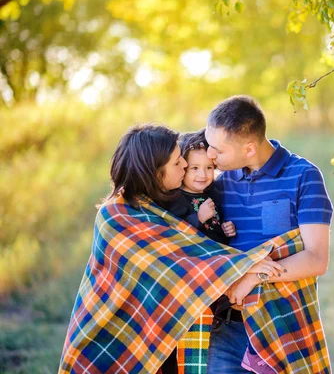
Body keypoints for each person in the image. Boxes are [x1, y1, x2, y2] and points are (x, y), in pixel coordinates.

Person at [58, 124, 284, 374]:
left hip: (164, 332)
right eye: (178, 163)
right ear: (156, 173)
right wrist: (243, 265)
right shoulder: (117, 215)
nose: (185, 167)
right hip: (114, 334)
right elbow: (178, 265)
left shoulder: (169, 201)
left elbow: (193, 249)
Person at [205, 95, 334, 373]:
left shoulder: (303, 175)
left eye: (217, 150)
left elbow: (316, 258)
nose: (210, 156)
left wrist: (252, 277)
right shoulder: (220, 183)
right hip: (227, 329)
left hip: (281, 326)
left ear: (249, 148)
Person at [161, 129, 284, 372]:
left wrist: (224, 227)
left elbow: (218, 231)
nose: (203, 175)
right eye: (194, 168)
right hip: (198, 276)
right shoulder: (176, 200)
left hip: (221, 274)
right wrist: (199, 218)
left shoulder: (215, 192)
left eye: (209, 168)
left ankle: (253, 349)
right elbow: (179, 237)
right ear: (183, 168)